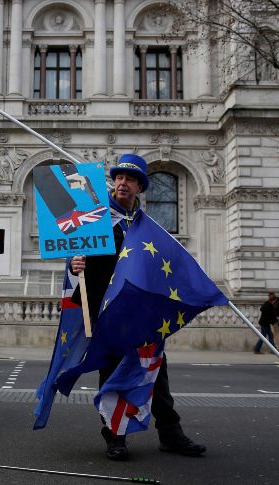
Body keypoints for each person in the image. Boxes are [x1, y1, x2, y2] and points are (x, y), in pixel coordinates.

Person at [69, 153, 206, 460]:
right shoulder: (96, 219)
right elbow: (76, 258)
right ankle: (115, 437)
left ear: (140, 187)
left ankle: (171, 434)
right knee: (113, 374)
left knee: (155, 373)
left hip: (144, 316)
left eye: (130, 179)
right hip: (110, 312)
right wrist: (74, 263)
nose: (122, 183)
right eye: (118, 177)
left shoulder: (150, 227)